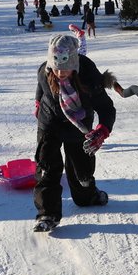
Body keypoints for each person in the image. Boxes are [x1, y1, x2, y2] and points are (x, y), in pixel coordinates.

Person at [31, 34, 116, 232]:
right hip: (50, 123)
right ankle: (47, 213)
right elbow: (41, 86)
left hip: (79, 125)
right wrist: (38, 102)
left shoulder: (89, 76)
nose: (60, 72)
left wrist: (102, 130)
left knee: (81, 172)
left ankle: (88, 195)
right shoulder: (45, 71)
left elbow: (106, 108)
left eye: (65, 66)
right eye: (56, 66)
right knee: (47, 167)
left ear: (75, 62)